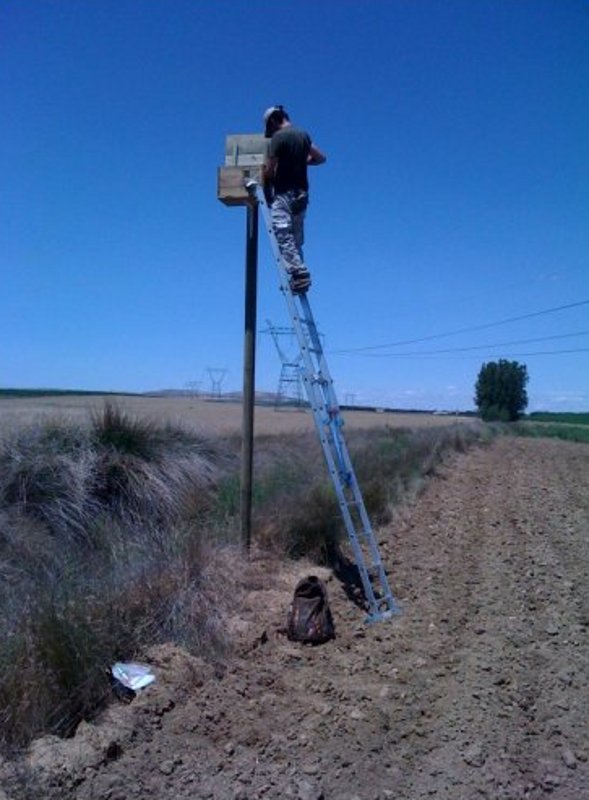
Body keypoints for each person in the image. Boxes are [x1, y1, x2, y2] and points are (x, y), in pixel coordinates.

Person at [262, 105, 326, 294]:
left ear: (273, 120)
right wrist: (302, 161)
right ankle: (301, 277)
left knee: (282, 232)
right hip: (302, 194)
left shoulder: (278, 138)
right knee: (296, 237)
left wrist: (265, 179)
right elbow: (321, 158)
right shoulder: (303, 135)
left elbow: (270, 168)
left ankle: (298, 273)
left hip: (284, 193)